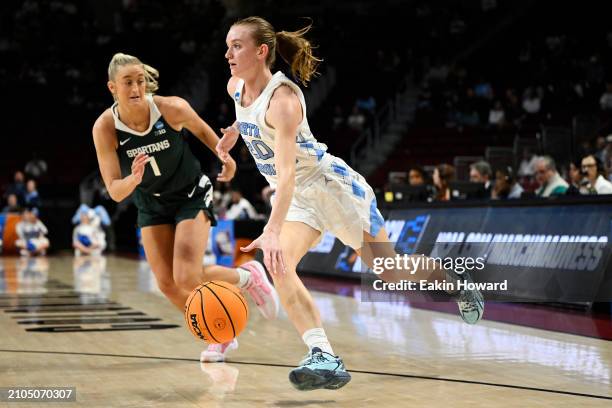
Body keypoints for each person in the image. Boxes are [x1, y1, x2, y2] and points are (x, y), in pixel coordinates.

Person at [218, 17, 483, 391]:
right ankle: (323, 355)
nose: (228, 53)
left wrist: (272, 228)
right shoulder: (235, 87)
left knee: (389, 270)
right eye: (228, 45)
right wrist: (234, 133)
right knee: (278, 264)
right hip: (300, 200)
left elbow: (288, 173)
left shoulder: (284, 100)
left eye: (237, 46)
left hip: (331, 189)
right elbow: (247, 118)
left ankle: (454, 281)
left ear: (261, 51)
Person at [91, 53, 280, 363]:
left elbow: (204, 131)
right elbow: (113, 189)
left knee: (188, 276)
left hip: (190, 193)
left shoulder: (170, 108)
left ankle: (249, 277)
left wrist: (226, 159)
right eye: (128, 82)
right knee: (167, 283)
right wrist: (133, 179)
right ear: (113, 88)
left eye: (141, 80)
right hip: (150, 203)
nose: (137, 87)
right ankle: (220, 333)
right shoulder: (105, 128)